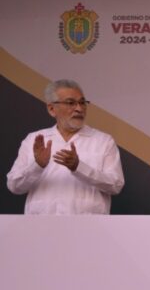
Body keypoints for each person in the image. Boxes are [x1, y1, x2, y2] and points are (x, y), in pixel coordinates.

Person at [6, 79, 125, 214]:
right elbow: (14, 186)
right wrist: (37, 166)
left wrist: (79, 167)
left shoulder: (103, 141)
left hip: (89, 224)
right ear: (52, 109)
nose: (79, 109)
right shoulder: (33, 140)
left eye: (82, 102)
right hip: (41, 224)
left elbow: (116, 185)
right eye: (70, 103)